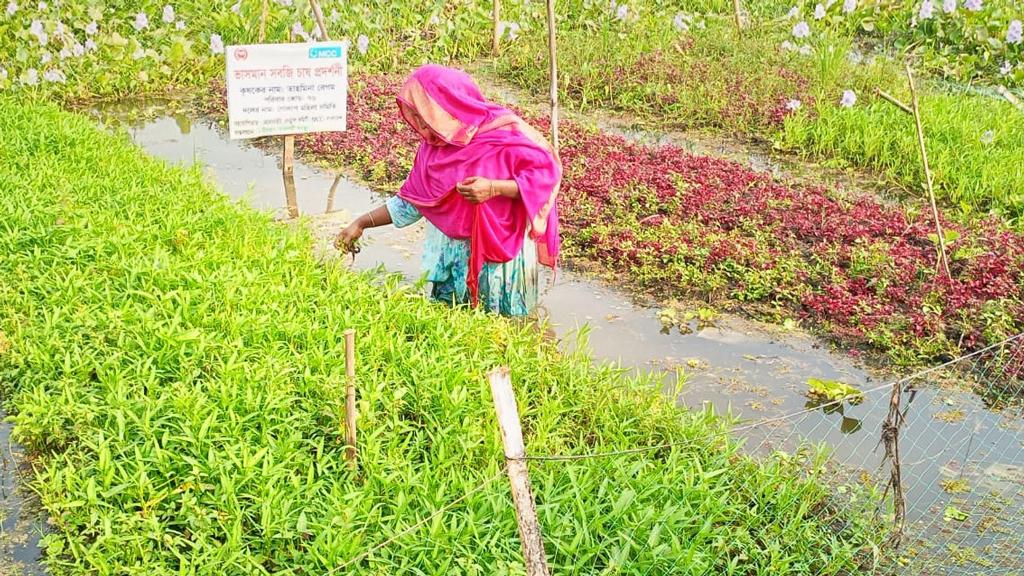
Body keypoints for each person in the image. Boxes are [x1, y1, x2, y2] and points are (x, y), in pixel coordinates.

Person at [334, 64, 562, 317]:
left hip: (501, 261)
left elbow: (546, 179)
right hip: (452, 256)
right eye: (416, 115)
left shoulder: (505, 135)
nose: (420, 124)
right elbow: (413, 202)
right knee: (452, 326)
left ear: (451, 107)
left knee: (505, 327)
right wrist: (361, 223)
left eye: (426, 113)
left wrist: (495, 188)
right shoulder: (433, 148)